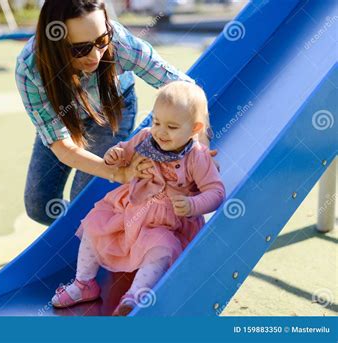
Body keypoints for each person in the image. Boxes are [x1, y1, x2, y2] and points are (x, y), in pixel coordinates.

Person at [15, 0, 212, 226]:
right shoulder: (30, 68)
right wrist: (119, 174)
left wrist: (202, 148)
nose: (96, 56)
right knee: (39, 207)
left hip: (111, 111)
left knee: (83, 202)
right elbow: (63, 147)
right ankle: (86, 229)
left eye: (101, 40)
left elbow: (185, 88)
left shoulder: (119, 42)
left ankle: (103, 232)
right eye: (80, 49)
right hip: (63, 120)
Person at [50, 81, 225, 316]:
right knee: (94, 226)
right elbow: (125, 152)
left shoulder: (197, 156)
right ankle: (84, 283)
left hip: (166, 222)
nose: (161, 132)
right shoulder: (145, 137)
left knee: (161, 248)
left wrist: (193, 205)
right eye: (156, 122)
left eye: (172, 127)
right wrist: (117, 154)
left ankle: (136, 294)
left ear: (195, 128)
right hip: (130, 209)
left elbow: (216, 192)